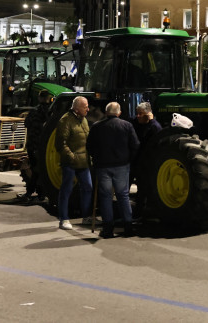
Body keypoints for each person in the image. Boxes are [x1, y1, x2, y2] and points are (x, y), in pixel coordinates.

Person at [87, 102, 139, 238]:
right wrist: (128, 159)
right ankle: (128, 227)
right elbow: (135, 145)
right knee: (123, 195)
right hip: (122, 166)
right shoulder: (126, 125)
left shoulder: (97, 127)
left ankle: (108, 229)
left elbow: (89, 146)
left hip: (103, 166)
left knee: (105, 197)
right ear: (119, 113)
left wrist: (96, 158)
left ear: (106, 112)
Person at [56, 95, 93, 230]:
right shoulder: (65, 120)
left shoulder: (83, 120)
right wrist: (71, 157)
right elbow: (60, 143)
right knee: (66, 190)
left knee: (88, 187)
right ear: (77, 109)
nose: (88, 109)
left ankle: (87, 216)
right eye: (85, 107)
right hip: (70, 163)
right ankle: (64, 219)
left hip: (84, 162)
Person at [131, 101, 162, 219]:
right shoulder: (136, 123)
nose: (138, 116)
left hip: (147, 164)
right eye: (137, 113)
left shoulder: (154, 127)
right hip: (137, 162)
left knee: (145, 189)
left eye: (140, 114)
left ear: (148, 115)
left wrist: (152, 120)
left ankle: (144, 213)